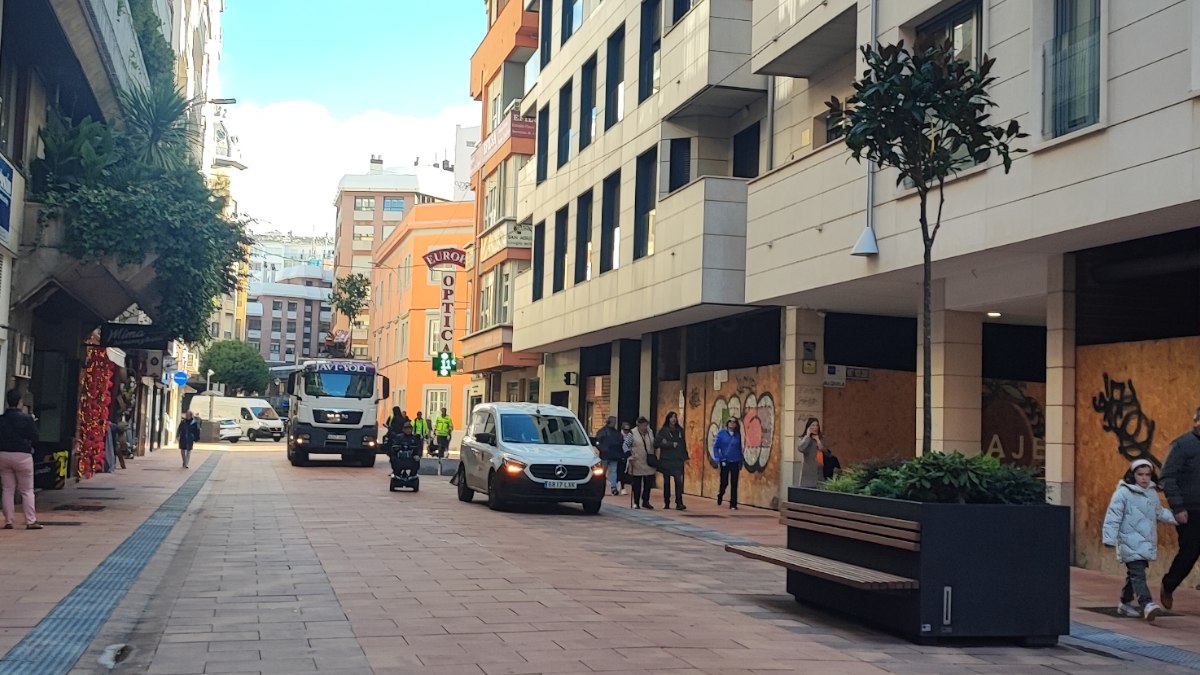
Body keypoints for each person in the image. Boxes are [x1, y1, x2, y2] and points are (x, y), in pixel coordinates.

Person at [1103, 459, 1176, 622]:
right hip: (1128, 541)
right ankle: (1147, 604)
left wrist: (1176, 518)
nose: (1144, 478)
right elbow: (1113, 516)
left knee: (1134, 575)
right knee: (1138, 574)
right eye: (1140, 474)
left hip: (1145, 541)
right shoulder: (1122, 493)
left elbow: (1159, 512)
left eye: (1147, 475)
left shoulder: (1151, 493)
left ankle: (1124, 602)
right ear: (1132, 475)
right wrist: (1109, 538)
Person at [1160, 406, 1200, 610]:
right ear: (1197, 422)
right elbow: (1167, 477)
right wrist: (1178, 507)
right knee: (1190, 552)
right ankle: (1169, 585)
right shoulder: (1182, 445)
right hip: (1190, 510)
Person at [0, 389, 41, 530]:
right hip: (22, 455)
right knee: (27, 490)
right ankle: (30, 520)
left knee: (7, 489)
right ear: (19, 402)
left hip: (3, 455)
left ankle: (8, 521)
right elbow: (35, 437)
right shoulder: (26, 419)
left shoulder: (1, 419)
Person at [656, 411, 687, 510]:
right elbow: (657, 444)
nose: (673, 419)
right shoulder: (663, 431)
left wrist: (685, 456)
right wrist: (669, 444)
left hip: (677, 460)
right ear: (668, 419)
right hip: (666, 460)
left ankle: (679, 502)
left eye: (675, 417)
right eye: (671, 417)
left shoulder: (680, 431)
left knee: (678, 481)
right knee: (666, 482)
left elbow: (683, 444)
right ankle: (666, 502)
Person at [624, 417, 657, 509]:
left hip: (648, 460)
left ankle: (645, 500)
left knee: (648, 482)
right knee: (637, 483)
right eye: (643, 425)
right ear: (638, 425)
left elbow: (653, 443)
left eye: (646, 425)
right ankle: (636, 502)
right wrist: (629, 456)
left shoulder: (650, 432)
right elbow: (625, 445)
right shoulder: (632, 433)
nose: (645, 427)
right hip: (637, 460)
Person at [714, 417, 744, 510]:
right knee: (724, 482)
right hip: (725, 461)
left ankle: (733, 504)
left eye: (734, 422)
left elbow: (740, 448)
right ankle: (721, 494)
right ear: (727, 423)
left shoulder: (738, 435)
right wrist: (718, 458)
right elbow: (716, 447)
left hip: (735, 461)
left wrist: (741, 461)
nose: (732, 424)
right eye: (730, 422)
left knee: (734, 483)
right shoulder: (722, 434)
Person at [794, 417, 830, 487]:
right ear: (808, 427)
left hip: (820, 473)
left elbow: (828, 453)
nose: (815, 427)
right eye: (813, 425)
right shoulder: (804, 438)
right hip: (809, 474)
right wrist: (807, 436)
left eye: (817, 425)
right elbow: (801, 448)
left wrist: (818, 441)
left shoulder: (822, 438)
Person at [594, 416, 625, 496]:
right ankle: (604, 487)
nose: (614, 423)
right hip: (608, 455)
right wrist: (603, 449)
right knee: (606, 472)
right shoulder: (611, 432)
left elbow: (621, 442)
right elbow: (597, 442)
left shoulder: (605, 431)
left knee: (611, 472)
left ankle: (612, 487)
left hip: (611, 455)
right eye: (613, 422)